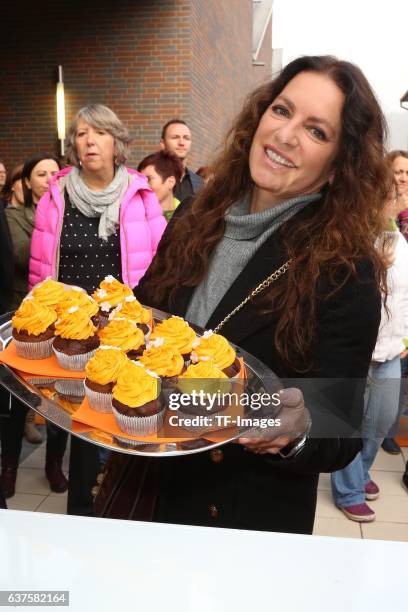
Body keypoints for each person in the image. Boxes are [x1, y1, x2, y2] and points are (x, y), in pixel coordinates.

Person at [107, 55, 390, 535]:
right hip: (146, 484)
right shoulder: (198, 214)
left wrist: (297, 429)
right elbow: (145, 317)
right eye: (282, 111)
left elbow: (339, 428)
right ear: (260, 114)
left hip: (237, 511)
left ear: (341, 164)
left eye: (317, 131)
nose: (285, 135)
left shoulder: (346, 268)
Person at [29, 104, 166, 516]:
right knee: (76, 421)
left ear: (117, 143)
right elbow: (40, 269)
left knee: (122, 419)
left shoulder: (139, 195)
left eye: (100, 133)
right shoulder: (55, 196)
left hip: (122, 329)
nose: (90, 141)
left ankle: (121, 509)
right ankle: (84, 513)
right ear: (74, 144)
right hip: (70, 331)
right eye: (83, 133)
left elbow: (160, 265)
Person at [331, 201, 408, 522]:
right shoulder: (349, 237)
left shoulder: (401, 243)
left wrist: (405, 338)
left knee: (379, 422)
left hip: (390, 350)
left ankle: (360, 472)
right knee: (351, 422)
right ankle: (349, 490)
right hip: (357, 348)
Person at [0, 153, 68, 499]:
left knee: (60, 399)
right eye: (41, 174)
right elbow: (18, 254)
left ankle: (54, 464)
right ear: (27, 182)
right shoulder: (15, 216)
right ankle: (9, 466)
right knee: (17, 400)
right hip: (23, 319)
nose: (49, 178)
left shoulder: (72, 214)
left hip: (64, 324)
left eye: (55, 172)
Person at [381, 150, 408, 455]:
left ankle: (390, 428)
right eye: (398, 171)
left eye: (407, 173)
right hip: (387, 311)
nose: (402, 178)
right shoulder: (382, 214)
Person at [160, 119, 203, 200]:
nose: (181, 143)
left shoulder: (199, 182)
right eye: (175, 137)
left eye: (186, 138)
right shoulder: (152, 178)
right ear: (162, 143)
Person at [137, 150, 183, 221]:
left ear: (171, 182)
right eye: (141, 180)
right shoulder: (134, 215)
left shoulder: (186, 217)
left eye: (148, 179)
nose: (143, 186)